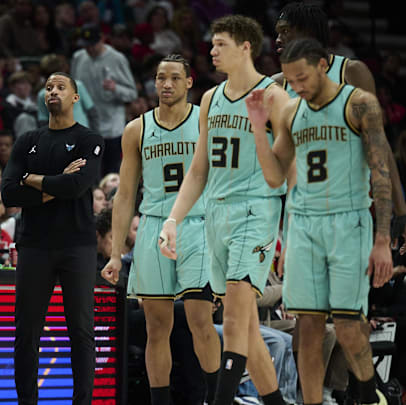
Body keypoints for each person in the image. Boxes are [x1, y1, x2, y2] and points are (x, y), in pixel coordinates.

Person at [245, 38, 393, 405]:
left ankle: (369, 391)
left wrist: (382, 239)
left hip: (349, 221)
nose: (296, 86)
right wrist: (258, 128)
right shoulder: (293, 112)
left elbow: (381, 173)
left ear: (324, 65)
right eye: (290, 81)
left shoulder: (360, 103)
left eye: (302, 77)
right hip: (304, 224)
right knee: (308, 329)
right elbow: (276, 177)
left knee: (346, 326)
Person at [158, 15, 289, 405]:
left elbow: (288, 167)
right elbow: (198, 170)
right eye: (212, 44)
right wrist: (173, 219)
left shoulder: (274, 97)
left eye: (220, 44)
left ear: (245, 46)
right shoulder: (212, 99)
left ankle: (220, 402)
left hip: (256, 210)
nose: (211, 51)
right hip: (216, 213)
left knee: (233, 311)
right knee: (246, 328)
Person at [101, 54, 220, 405]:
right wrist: (115, 253)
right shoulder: (136, 129)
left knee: (201, 319)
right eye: (160, 78)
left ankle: (216, 398)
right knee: (157, 327)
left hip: (198, 225)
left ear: (188, 82)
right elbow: (124, 196)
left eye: (173, 78)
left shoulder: (206, 120)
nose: (166, 84)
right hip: (153, 226)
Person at [272, 2, 406, 254]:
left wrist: (400, 212)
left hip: (348, 209)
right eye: (277, 31)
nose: (277, 38)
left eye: (285, 31)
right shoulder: (276, 85)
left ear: (308, 33)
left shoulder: (351, 73)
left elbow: (379, 148)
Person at [1, 71, 104, 405]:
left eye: (61, 87)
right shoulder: (27, 139)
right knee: (27, 333)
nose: (53, 92)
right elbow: (8, 193)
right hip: (34, 244)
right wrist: (50, 182)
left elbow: (77, 187)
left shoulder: (90, 139)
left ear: (75, 97)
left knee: (81, 331)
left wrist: (30, 179)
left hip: (78, 244)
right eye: (48, 88)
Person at [71, 24, 137, 175]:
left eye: (92, 44)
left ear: (102, 39)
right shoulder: (78, 57)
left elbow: (132, 93)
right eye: (85, 45)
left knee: (110, 171)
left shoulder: (117, 59)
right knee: (87, 172)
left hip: (111, 126)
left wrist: (115, 88)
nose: (89, 49)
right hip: (86, 126)